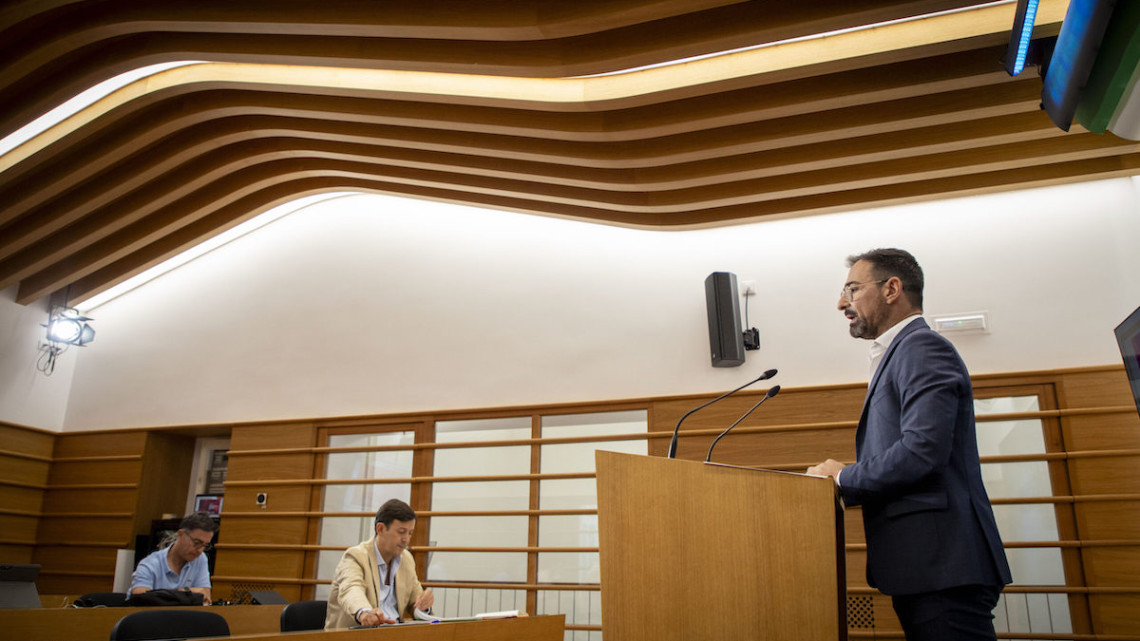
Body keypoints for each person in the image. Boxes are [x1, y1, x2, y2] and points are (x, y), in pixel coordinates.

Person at [807, 248, 1012, 641]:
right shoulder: (900, 353)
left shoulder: (921, 348)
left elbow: (922, 450)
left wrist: (844, 477)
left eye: (852, 289)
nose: (841, 303)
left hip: (943, 564)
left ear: (892, 289)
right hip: (926, 566)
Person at [325, 498, 435, 629]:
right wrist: (364, 612)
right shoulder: (356, 556)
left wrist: (424, 606)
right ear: (381, 529)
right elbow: (351, 589)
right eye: (401, 532)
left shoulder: (406, 559)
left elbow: (415, 602)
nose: (406, 539)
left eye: (410, 533)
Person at [129, 511, 218, 604]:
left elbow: (205, 597)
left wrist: (165, 596)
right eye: (196, 542)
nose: (200, 550)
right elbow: (139, 598)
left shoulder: (200, 559)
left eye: (205, 545)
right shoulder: (149, 564)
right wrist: (186, 593)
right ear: (181, 534)